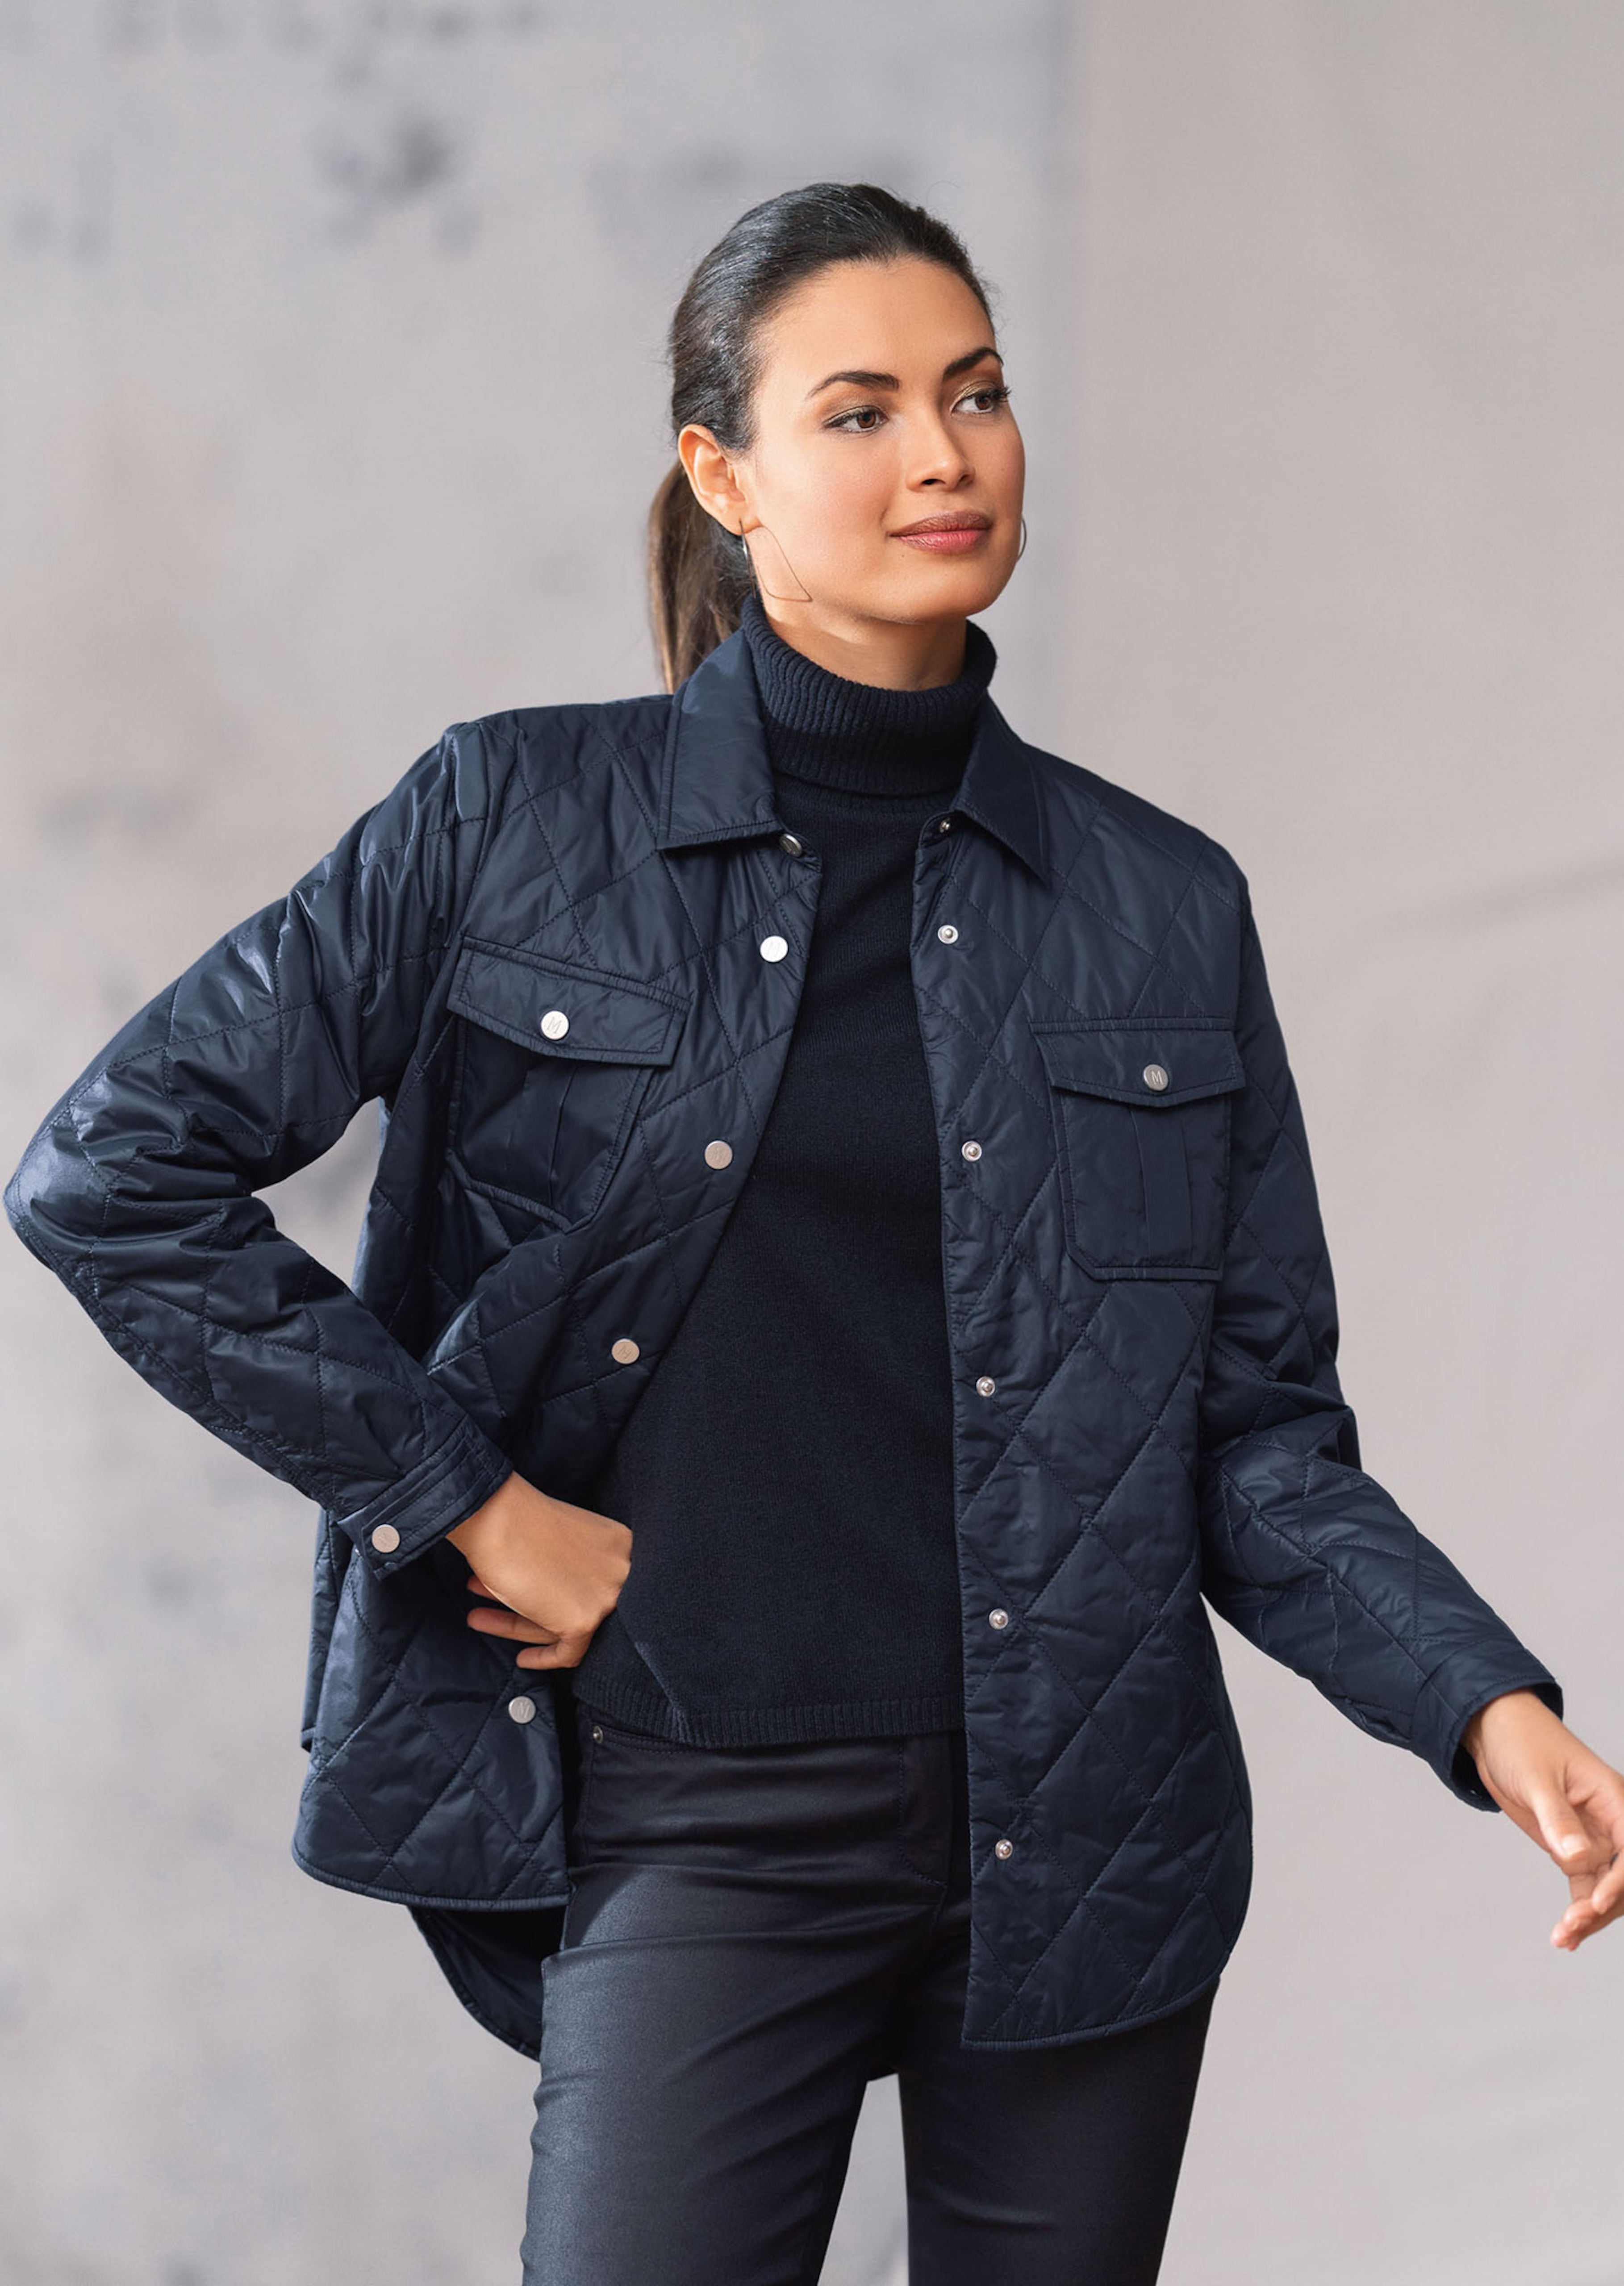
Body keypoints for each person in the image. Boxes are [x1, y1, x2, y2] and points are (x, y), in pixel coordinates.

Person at [6, 180, 1621, 2286]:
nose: (942, 454)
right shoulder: (510, 820)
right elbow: (113, 1170)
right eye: (858, 411)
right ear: (724, 473)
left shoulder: (1158, 905)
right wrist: (463, 1497)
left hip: (1081, 1829)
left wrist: (1484, 1705)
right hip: (693, 1809)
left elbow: (1247, 1432)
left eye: (977, 392)